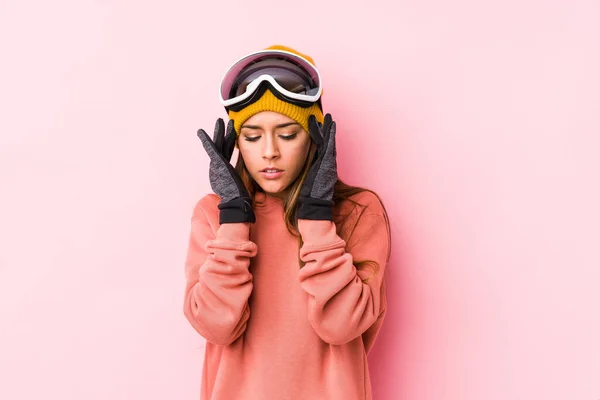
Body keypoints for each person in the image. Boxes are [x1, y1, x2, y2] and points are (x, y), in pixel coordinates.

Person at [183, 44, 392, 400]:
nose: (269, 152)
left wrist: (316, 217)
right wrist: (234, 217)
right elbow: (215, 326)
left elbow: (342, 327)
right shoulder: (213, 213)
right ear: (236, 142)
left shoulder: (358, 211)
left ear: (314, 137)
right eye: (251, 136)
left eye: (287, 134)